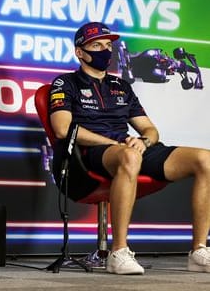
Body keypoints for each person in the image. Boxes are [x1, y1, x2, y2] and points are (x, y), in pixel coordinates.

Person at [48, 21, 210, 275]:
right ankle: (119, 252)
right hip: (89, 154)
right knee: (129, 156)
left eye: (107, 45)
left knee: (205, 159)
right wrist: (114, 143)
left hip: (128, 149)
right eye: (96, 45)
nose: (105, 51)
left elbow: (151, 130)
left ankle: (199, 251)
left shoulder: (121, 86)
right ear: (80, 52)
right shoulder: (64, 83)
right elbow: (62, 129)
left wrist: (143, 141)